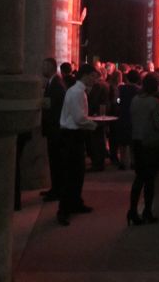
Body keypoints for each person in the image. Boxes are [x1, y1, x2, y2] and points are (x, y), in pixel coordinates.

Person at [57, 64, 99, 226]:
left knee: (78, 172)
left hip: (74, 135)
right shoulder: (77, 92)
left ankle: (75, 203)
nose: (95, 79)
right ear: (85, 75)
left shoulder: (78, 91)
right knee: (71, 173)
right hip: (71, 135)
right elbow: (79, 118)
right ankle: (64, 210)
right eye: (93, 76)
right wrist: (94, 125)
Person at [127, 73, 159, 225]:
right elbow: (157, 125)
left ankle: (132, 210)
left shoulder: (135, 99)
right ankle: (147, 212)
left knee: (139, 177)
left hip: (137, 141)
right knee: (150, 180)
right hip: (151, 143)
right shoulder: (153, 102)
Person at [40, 57, 66, 202]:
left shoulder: (56, 84)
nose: (42, 69)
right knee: (54, 161)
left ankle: (57, 190)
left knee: (56, 161)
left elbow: (56, 108)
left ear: (51, 67)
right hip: (53, 129)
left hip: (56, 130)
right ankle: (54, 188)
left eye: (44, 66)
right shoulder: (52, 83)